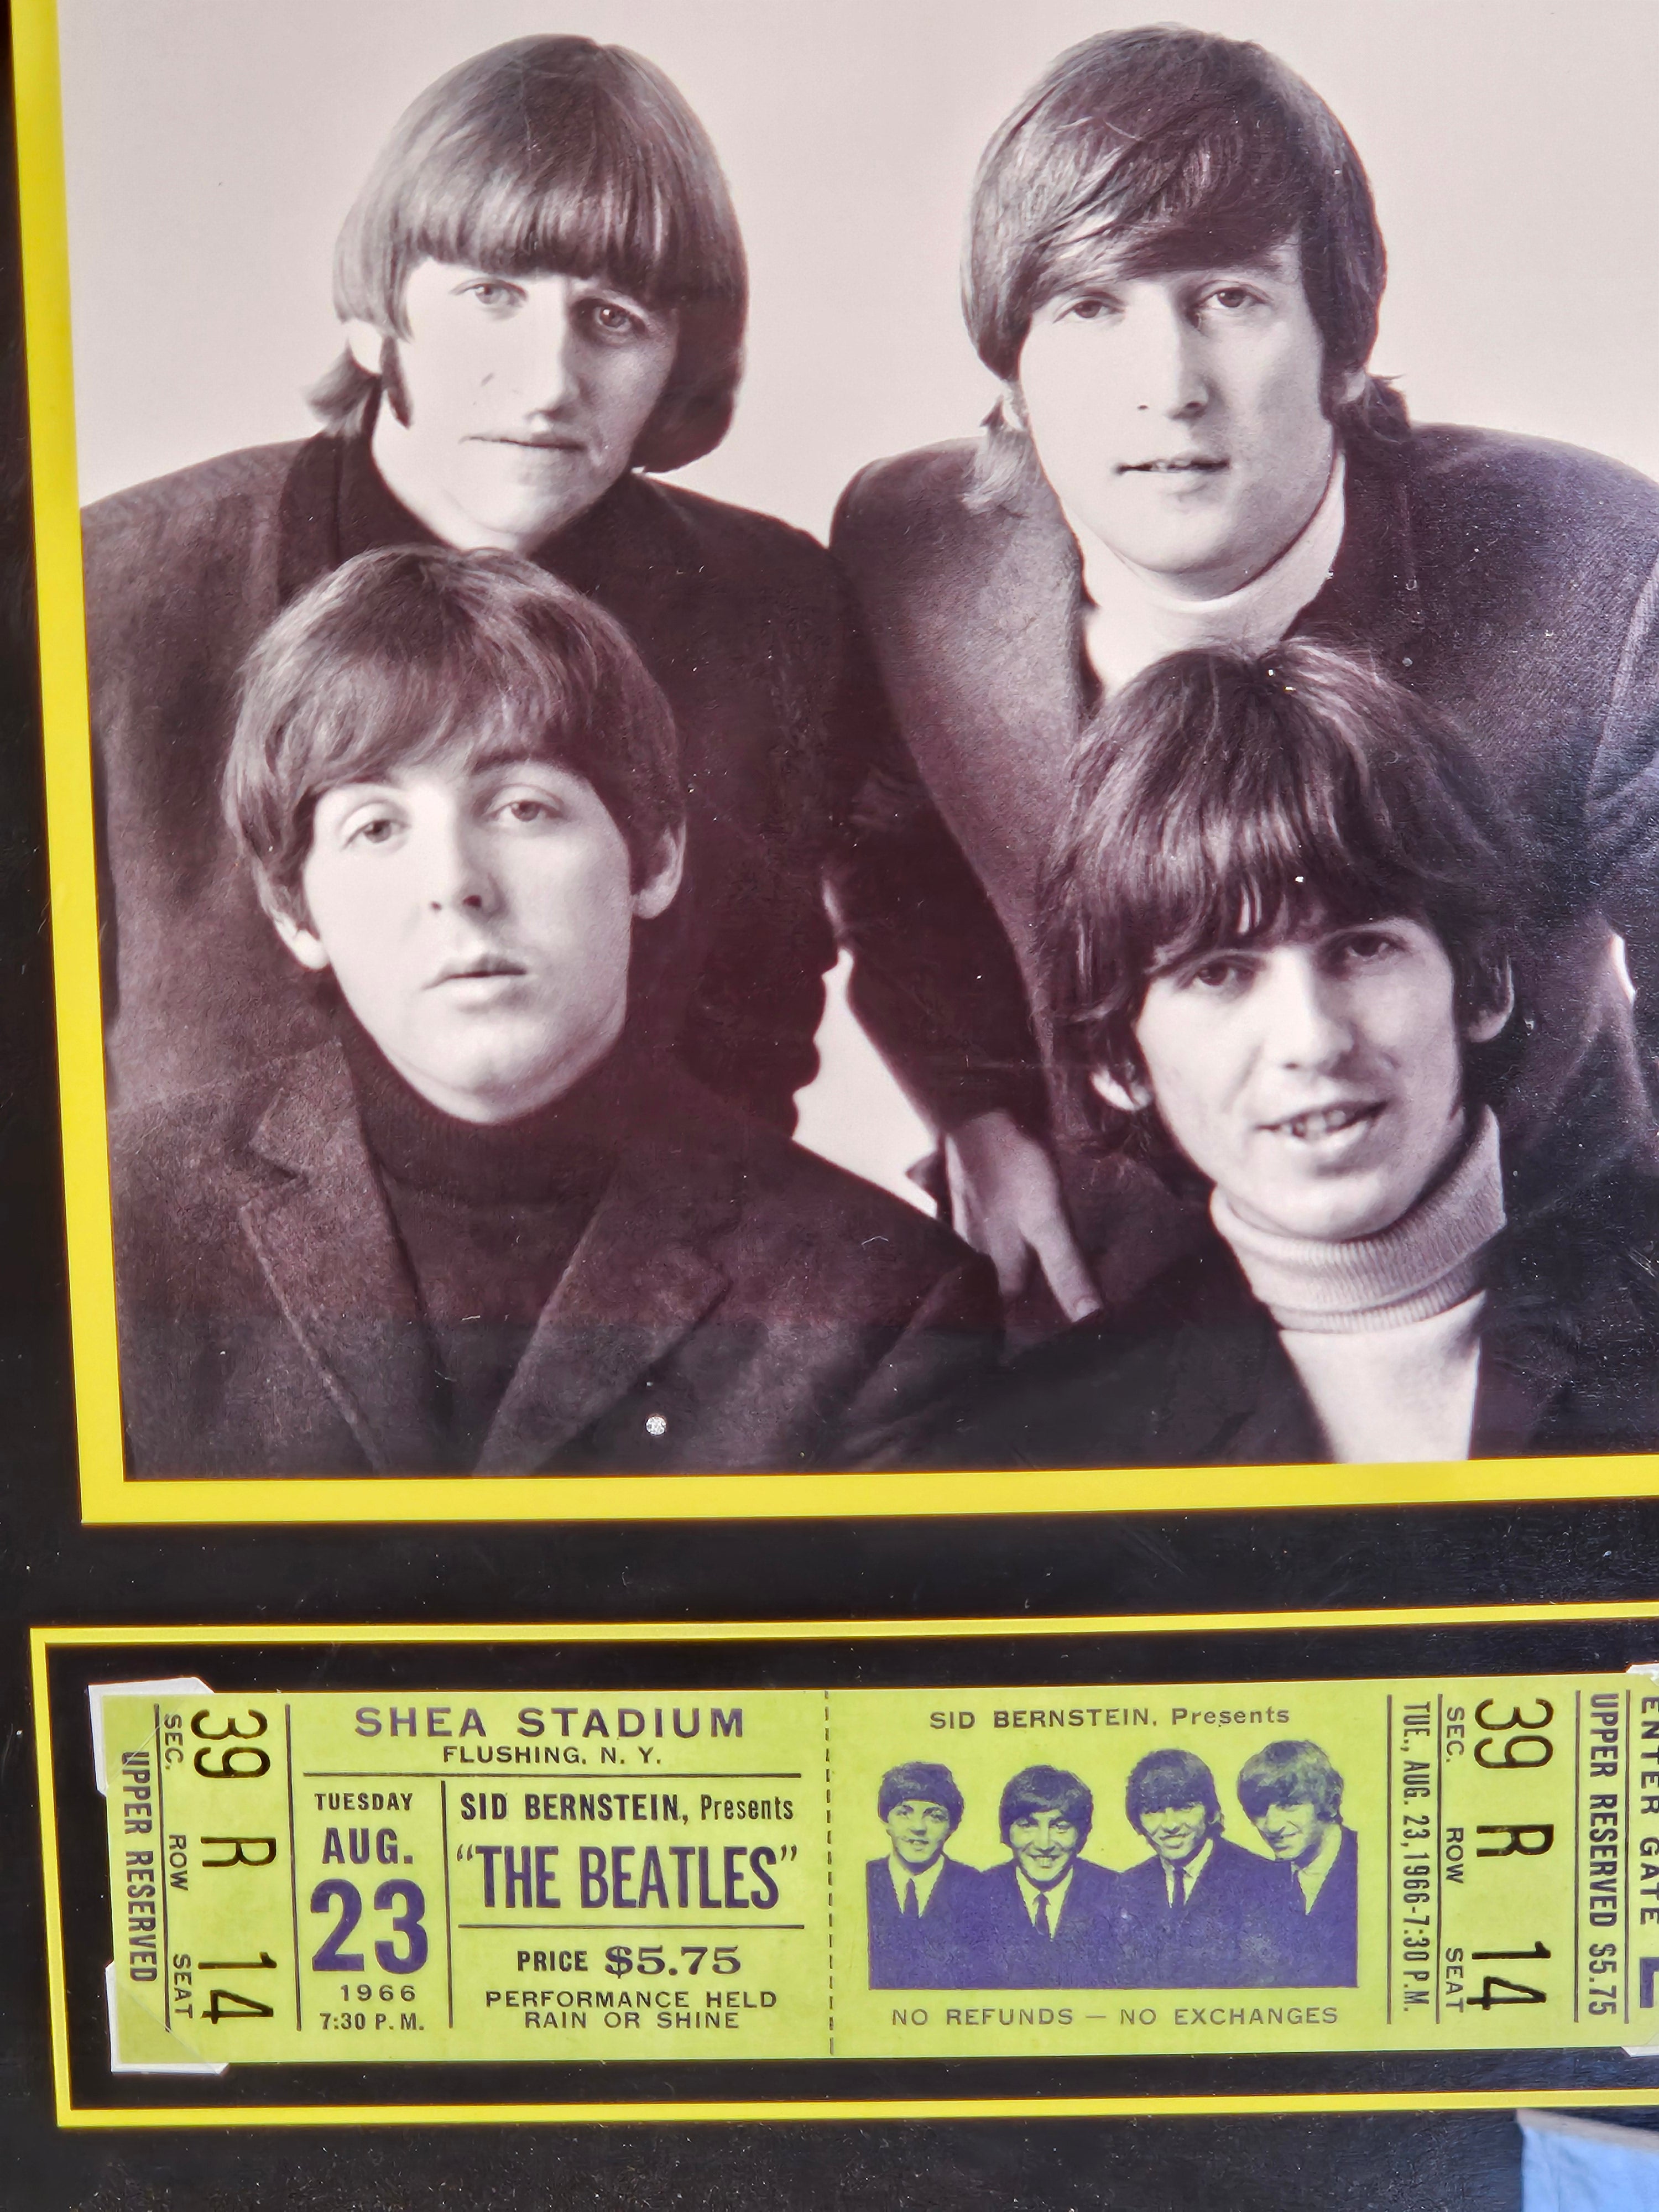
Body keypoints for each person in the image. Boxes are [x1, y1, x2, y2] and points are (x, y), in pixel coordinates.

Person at [831, 24, 1659, 1328]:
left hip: (1529, 1292)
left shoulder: (1589, 561)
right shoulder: (910, 555)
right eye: (1090, 307)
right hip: (1108, 1293)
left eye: (1227, 298)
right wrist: (974, 1111)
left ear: (1342, 346)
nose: (1167, 388)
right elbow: (897, 866)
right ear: (1012, 375)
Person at [87, 34, 879, 1130]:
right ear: (375, 321)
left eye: (614, 320)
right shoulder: (111, 589)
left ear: (675, 366)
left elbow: (765, 1020)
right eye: (493, 295)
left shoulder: (771, 604)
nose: (550, 383)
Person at [109, 550, 997, 1479]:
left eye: (523, 808)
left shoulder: (884, 1302)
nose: (456, 884)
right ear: (296, 912)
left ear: (654, 858)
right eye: (376, 827)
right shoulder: (110, 1222)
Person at [928, 642, 1659, 1470]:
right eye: (1219, 973)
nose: (1311, 1039)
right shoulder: (1049, 1449)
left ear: (1483, 984)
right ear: (1117, 1060)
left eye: (1363, 947)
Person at [1109, 1750, 1289, 1988]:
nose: (1170, 1825)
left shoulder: (1262, 1879)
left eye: (1185, 1807)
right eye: (1154, 1811)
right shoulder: (1127, 1886)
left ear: (1209, 1811)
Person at [969, 1765, 1117, 1988]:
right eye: (1027, 1826)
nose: (1044, 1844)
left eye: (1061, 1827)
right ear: (1007, 1831)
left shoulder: (1115, 1892)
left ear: (1082, 1834)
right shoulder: (976, 1894)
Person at [1237, 1741, 1358, 1987]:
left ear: (1327, 1802)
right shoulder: (1257, 1883)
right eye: (1260, 1811)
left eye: (1288, 1805)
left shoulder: (1372, 1864)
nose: (1272, 1826)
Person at [865, 1761, 982, 1989]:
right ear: (886, 1821)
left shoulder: (976, 1887)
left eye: (934, 1816)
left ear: (952, 1827)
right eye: (904, 1813)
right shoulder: (864, 1880)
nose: (918, 1827)